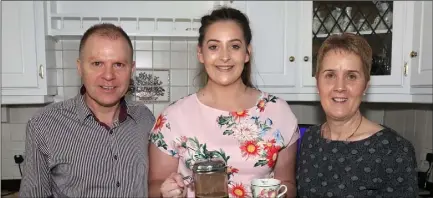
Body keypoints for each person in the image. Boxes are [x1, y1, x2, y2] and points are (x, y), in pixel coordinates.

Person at [148, 7, 299, 198]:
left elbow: (287, 184)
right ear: (200, 53)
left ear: (247, 53)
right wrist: (167, 191)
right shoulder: (172, 118)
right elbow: (154, 186)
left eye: (234, 46)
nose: (225, 56)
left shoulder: (279, 113)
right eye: (213, 47)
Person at [19, 23, 155, 197]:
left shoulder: (145, 119)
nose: (108, 75)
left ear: (132, 69)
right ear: (80, 67)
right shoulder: (43, 125)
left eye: (119, 64)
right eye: (97, 63)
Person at [296, 33, 419, 198]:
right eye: (330, 75)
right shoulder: (310, 139)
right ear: (318, 83)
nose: (340, 87)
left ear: (365, 86)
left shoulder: (393, 150)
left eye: (351, 76)